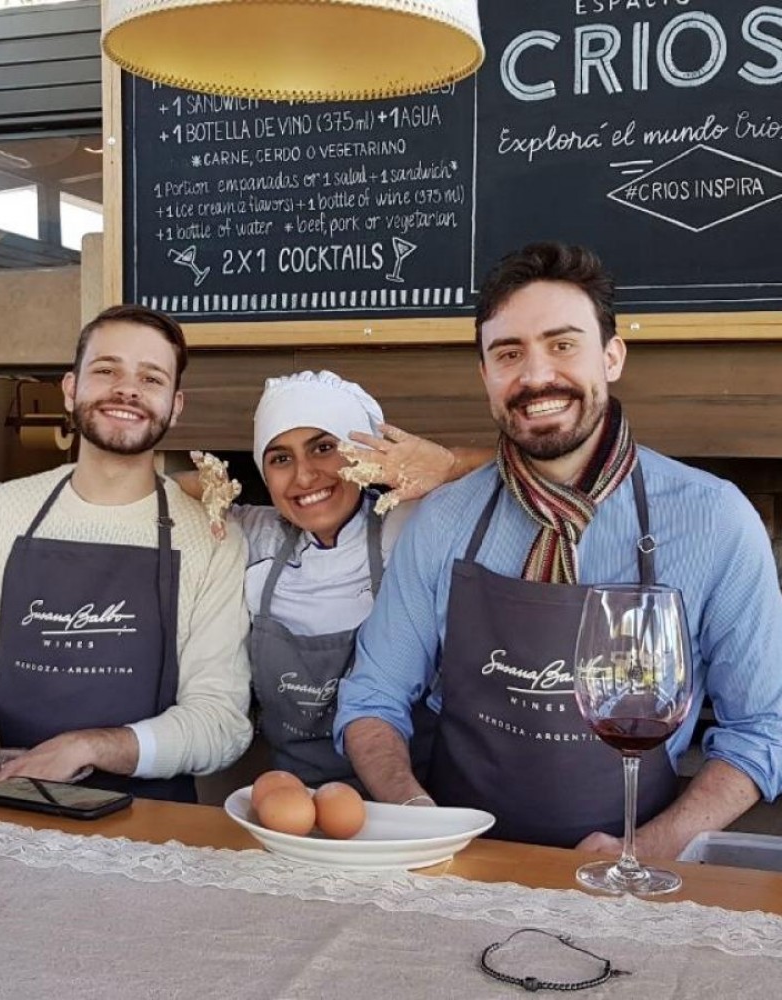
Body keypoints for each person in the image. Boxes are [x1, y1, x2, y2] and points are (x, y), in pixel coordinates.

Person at [335, 241, 782, 858]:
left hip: (632, 877)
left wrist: (649, 848)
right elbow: (371, 699)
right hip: (456, 864)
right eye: (508, 353)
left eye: (563, 344)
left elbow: (762, 730)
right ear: (486, 376)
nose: (536, 376)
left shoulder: (715, 520)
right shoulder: (443, 520)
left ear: (612, 357)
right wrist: (416, 818)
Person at [0, 304, 252, 802]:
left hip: (147, 820)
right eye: (107, 370)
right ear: (70, 388)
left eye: (151, 378)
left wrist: (91, 747)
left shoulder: (213, 540)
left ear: (175, 405)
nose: (127, 390)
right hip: (3, 801)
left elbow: (221, 723)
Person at [184, 370, 487, 789]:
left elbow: (528, 475)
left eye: (324, 448)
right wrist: (203, 484)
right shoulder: (253, 534)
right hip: (299, 797)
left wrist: (450, 465)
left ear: (366, 456)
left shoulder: (412, 524)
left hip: (411, 793)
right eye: (280, 459)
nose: (304, 477)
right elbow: (142, 491)